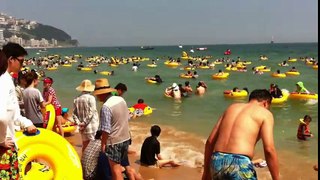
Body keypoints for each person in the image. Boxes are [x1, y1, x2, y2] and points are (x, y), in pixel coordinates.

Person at [202, 89, 279, 180]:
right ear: (266, 103)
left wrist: (206, 172)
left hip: (217, 160)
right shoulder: (265, 114)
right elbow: (269, 149)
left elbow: (210, 141)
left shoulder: (232, 108)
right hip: (239, 163)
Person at [0, 43, 37, 180]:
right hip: (5, 148)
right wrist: (2, 140)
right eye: (21, 61)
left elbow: (13, 112)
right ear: (11, 59)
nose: (23, 64)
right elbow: (2, 116)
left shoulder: (8, 79)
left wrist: (26, 123)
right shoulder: (4, 81)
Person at [94, 78, 131, 179]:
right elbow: (127, 118)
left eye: (97, 94)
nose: (97, 97)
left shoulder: (106, 107)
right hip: (126, 138)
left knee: (116, 170)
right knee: (119, 168)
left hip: (114, 142)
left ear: (101, 94)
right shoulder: (121, 99)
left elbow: (106, 130)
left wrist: (103, 144)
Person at [72, 79, 99, 152]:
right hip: (92, 126)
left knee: (85, 145)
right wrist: (84, 122)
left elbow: (74, 114)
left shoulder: (77, 99)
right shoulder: (91, 98)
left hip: (82, 128)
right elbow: (91, 113)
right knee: (94, 147)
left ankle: (83, 161)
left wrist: (79, 123)